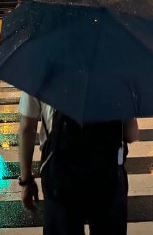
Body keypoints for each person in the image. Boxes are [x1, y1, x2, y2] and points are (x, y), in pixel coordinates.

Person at [18, 91, 138, 234]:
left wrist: (26, 181)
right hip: (107, 174)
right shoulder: (117, 74)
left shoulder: (40, 72)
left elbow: (26, 129)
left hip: (59, 176)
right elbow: (131, 134)